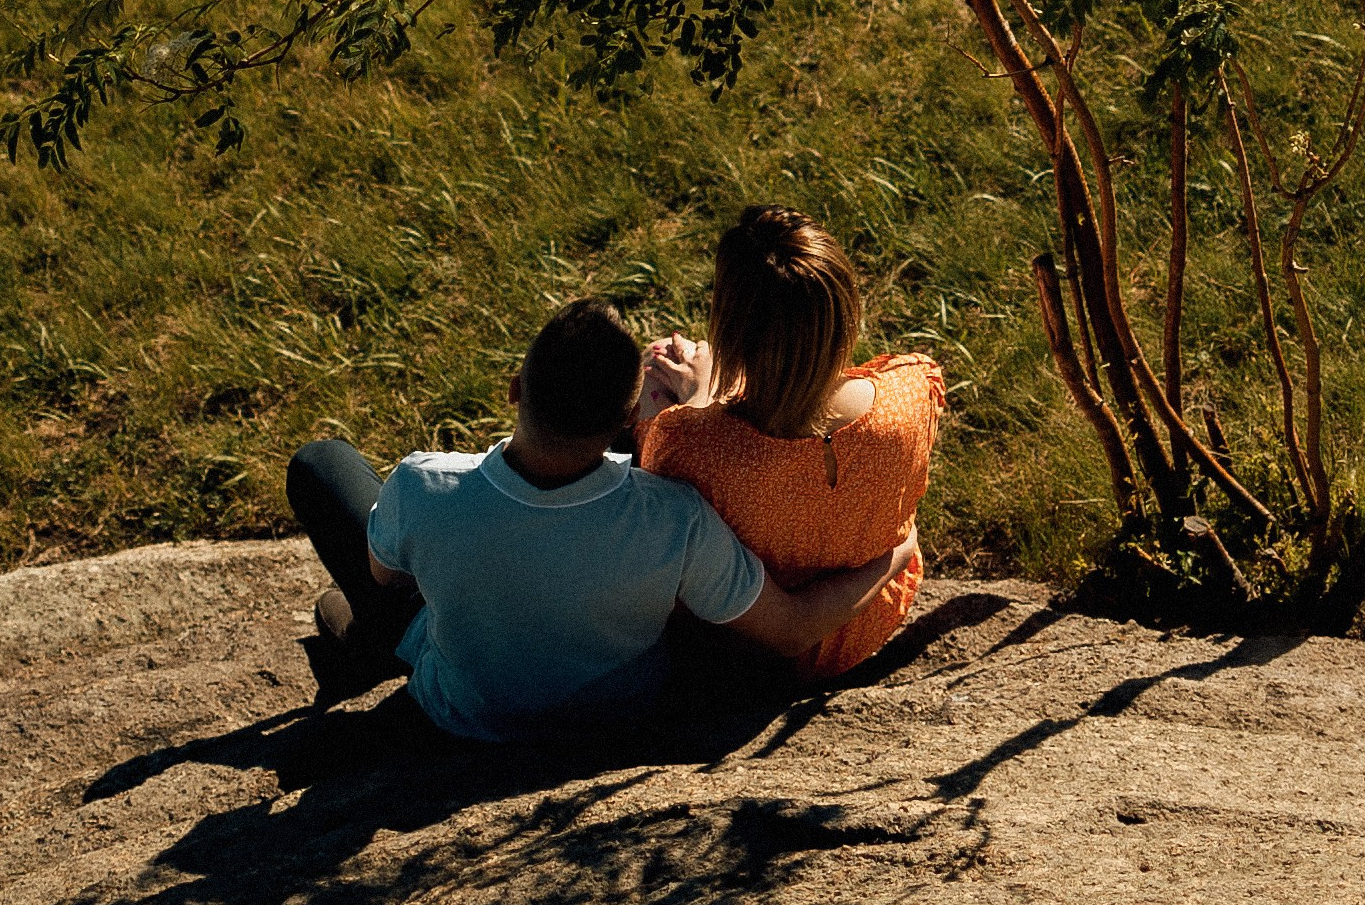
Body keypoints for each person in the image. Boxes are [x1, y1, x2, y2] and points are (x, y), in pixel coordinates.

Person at [285, 295, 912, 741]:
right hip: (615, 720)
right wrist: (892, 555)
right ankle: (368, 642)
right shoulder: (676, 520)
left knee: (322, 464)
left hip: (464, 719)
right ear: (626, 422)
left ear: (513, 388)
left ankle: (368, 646)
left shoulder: (423, 485)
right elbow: (796, 627)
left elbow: (386, 577)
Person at [636, 206, 942, 680]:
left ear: (731, 328)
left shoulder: (688, 443)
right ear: (843, 313)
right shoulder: (912, 390)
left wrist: (704, 396)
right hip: (863, 626)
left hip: (741, 649)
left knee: (656, 365)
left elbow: (660, 504)